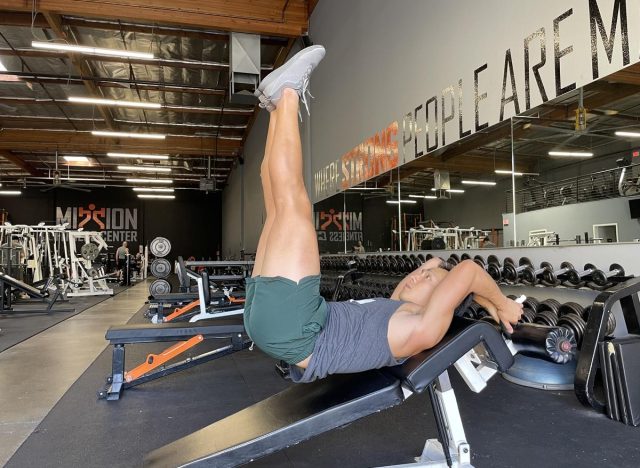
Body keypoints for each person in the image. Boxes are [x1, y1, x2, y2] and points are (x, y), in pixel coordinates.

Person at [244, 45, 522, 383]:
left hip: (296, 330)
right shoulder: (392, 312)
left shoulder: (422, 329)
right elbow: (440, 272)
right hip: (277, 324)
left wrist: (503, 304)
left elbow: (466, 271)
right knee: (277, 210)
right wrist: (443, 275)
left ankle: (287, 93)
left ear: (440, 300)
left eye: (429, 282)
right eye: (421, 274)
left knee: (294, 207)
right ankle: (276, 107)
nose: (418, 276)